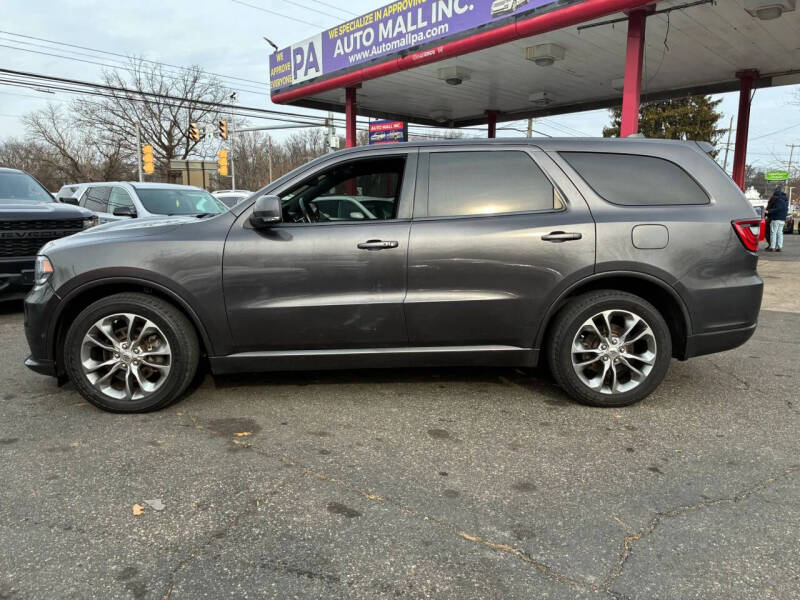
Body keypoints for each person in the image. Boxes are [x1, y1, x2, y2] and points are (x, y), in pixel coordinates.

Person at [765, 187, 788, 252]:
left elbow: (777, 209)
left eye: (774, 196)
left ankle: (772, 247)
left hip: (776, 219)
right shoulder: (784, 202)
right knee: (780, 233)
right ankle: (779, 247)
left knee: (773, 233)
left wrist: (768, 211)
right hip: (782, 220)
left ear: (775, 196)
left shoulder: (777, 201)